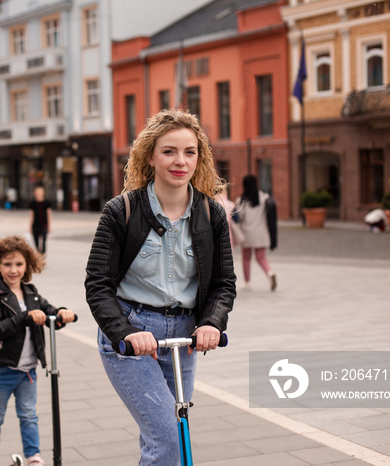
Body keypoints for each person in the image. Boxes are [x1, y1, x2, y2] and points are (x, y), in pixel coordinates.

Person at [84, 109, 237, 465]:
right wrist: (124, 331)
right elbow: (98, 285)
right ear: (150, 156)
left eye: (189, 151)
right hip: (131, 336)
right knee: (168, 438)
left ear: (200, 157)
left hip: (183, 337)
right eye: (169, 151)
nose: (179, 161)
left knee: (170, 439)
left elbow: (222, 283)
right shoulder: (121, 211)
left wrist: (212, 322)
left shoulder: (211, 214)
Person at [0, 235, 75, 466]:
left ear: (27, 266)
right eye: (7, 264)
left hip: (28, 371)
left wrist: (62, 314)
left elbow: (50, 312)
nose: (13, 270)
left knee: (29, 416)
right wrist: (25, 317)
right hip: (1, 370)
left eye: (19, 264)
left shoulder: (32, 293)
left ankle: (33, 457)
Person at [235, 175, 277, 291]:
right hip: (261, 232)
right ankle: (269, 273)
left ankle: (247, 282)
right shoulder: (264, 198)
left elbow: (240, 217)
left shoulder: (242, 200)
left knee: (246, 258)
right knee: (261, 257)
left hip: (247, 233)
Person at [28, 185, 52, 255]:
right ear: (34, 193)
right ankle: (39, 258)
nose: (38, 193)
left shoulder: (47, 203)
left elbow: (49, 215)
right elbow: (31, 216)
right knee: (36, 244)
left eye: (40, 192)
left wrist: (49, 226)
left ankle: (43, 257)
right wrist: (30, 226)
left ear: (43, 193)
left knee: (43, 242)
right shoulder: (32, 204)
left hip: (44, 225)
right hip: (35, 225)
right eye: (37, 192)